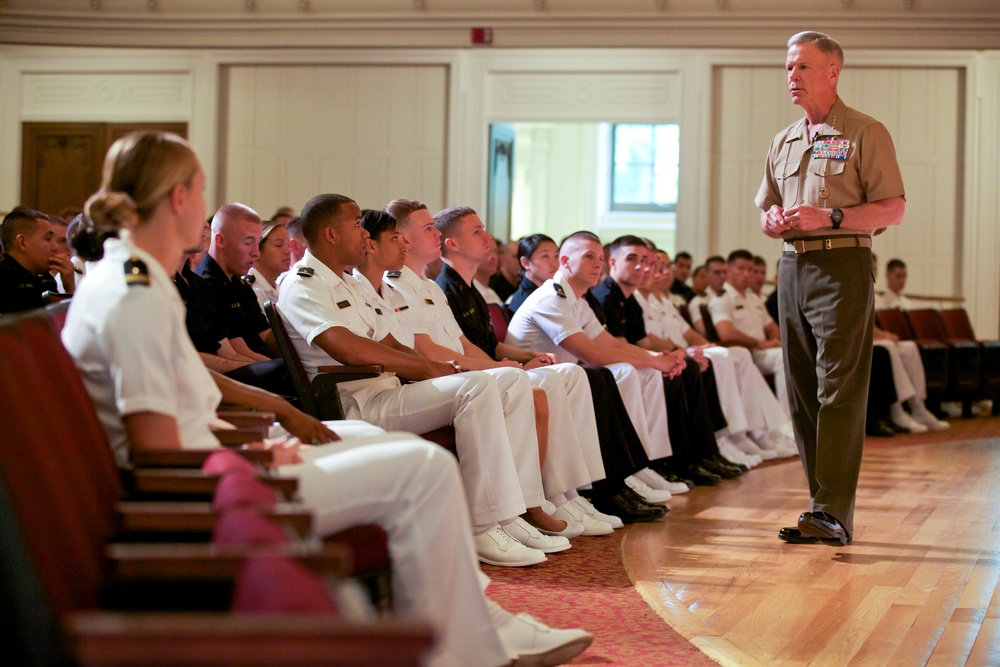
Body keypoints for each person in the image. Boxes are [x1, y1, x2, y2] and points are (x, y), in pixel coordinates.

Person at [61, 131, 592, 667]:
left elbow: (188, 380)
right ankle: (467, 646)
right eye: (200, 192)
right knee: (422, 468)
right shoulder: (134, 294)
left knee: (370, 441)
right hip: (206, 491)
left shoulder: (130, 276)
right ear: (177, 198)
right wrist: (258, 456)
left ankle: (475, 624)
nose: (202, 207)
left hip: (223, 457)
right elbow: (157, 447)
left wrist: (279, 410)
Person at [756, 31, 905, 546]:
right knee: (800, 389)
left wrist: (833, 216)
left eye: (801, 67)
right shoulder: (783, 140)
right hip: (791, 267)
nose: (792, 77)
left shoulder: (865, 131)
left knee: (837, 387)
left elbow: (893, 208)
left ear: (833, 70)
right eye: (788, 67)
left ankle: (832, 509)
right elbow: (764, 207)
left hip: (843, 264)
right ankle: (819, 503)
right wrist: (772, 220)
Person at [709, 250, 790, 416]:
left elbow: (772, 328)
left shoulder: (753, 298)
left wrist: (775, 340)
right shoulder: (722, 298)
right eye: (741, 268)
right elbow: (725, 332)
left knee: (791, 353)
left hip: (762, 352)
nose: (746, 274)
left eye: (750, 269)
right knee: (783, 358)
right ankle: (785, 419)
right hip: (745, 352)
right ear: (729, 269)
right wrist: (759, 343)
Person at [0, 208, 72, 313]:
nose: (55, 247)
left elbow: (59, 324)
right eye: (48, 239)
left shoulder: (46, 279)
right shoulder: (3, 278)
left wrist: (70, 288)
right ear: (22, 243)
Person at [246, 219, 291, 311]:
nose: (288, 251)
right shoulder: (252, 290)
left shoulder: (278, 288)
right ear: (257, 250)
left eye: (288, 245)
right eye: (279, 245)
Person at [489, 238, 520, 303]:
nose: (520, 262)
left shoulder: (521, 286)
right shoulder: (494, 287)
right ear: (503, 258)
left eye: (523, 257)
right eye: (516, 257)